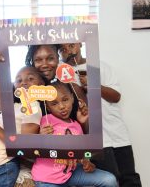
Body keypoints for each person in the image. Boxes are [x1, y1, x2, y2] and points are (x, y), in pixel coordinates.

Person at [59, 43, 142, 187]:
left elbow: (116, 97)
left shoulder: (100, 66)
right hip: (96, 138)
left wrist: (94, 84)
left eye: (71, 45)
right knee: (110, 179)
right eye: (63, 49)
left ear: (80, 44)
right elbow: (83, 104)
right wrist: (74, 81)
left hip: (117, 132)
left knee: (130, 177)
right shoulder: (62, 74)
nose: (68, 50)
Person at [32, 81, 118, 187]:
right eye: (54, 103)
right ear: (48, 107)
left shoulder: (77, 126)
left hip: (70, 174)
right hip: (46, 179)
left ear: (72, 98)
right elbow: (40, 145)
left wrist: (87, 162)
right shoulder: (47, 120)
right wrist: (41, 136)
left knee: (109, 180)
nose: (62, 106)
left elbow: (81, 154)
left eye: (65, 100)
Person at [0, 66, 45, 187]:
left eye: (30, 78)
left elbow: (23, 147)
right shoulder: (13, 106)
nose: (23, 82)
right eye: (18, 80)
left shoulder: (32, 107)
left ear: (41, 85)